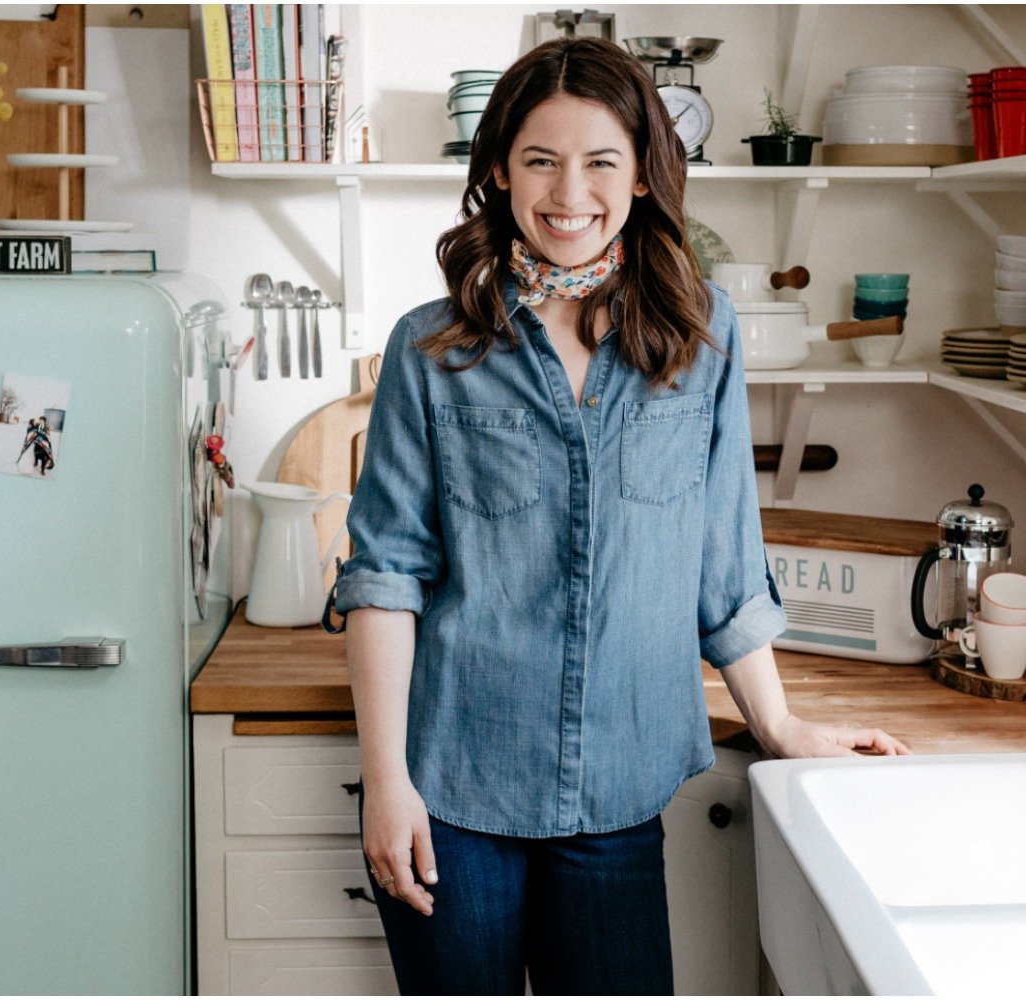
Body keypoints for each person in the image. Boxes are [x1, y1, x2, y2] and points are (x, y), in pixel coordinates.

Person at [320, 37, 906, 996]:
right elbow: (385, 574)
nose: (568, 193)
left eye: (600, 161)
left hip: (620, 790)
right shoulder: (429, 350)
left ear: (641, 175)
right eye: (541, 160)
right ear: (500, 169)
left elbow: (723, 559)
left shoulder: (701, 336)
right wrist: (387, 785)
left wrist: (781, 721)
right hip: (453, 789)